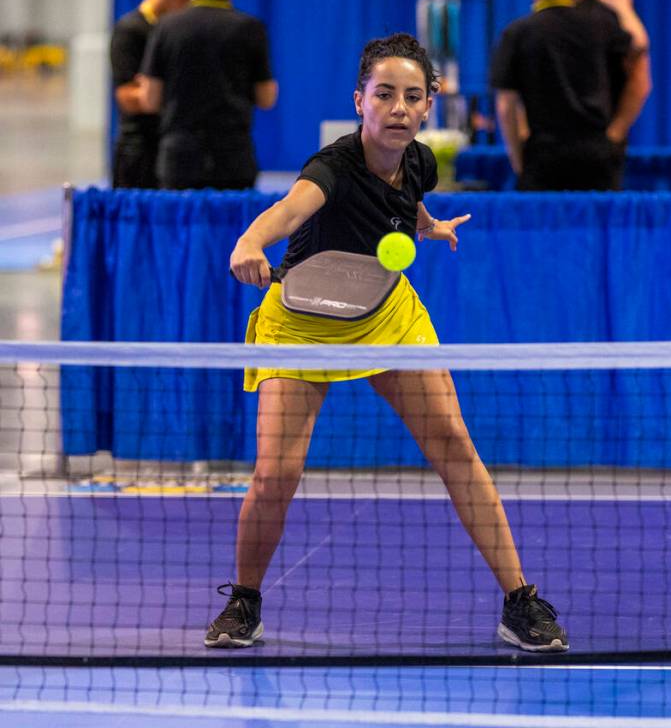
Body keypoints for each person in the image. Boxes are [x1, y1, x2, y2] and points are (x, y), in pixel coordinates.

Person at [206, 33, 568, 654]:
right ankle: (245, 601)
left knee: (454, 444)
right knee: (276, 473)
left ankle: (520, 600)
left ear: (428, 104)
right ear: (360, 101)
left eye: (411, 95)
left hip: (385, 312)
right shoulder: (331, 169)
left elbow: (408, 201)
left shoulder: (420, 159)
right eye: (384, 94)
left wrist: (427, 226)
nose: (398, 107)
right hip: (301, 322)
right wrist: (248, 242)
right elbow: (290, 211)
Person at [490, 0, 638, 190]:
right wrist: (624, 7)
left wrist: (519, 161)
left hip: (543, 159)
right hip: (597, 157)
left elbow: (506, 105)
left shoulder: (516, 34)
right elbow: (638, 46)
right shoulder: (600, 25)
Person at [139, 0, 277, 190]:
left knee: (177, 229)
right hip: (233, 159)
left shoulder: (166, 27)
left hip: (179, 160)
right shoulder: (251, 29)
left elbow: (149, 99)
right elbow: (266, 98)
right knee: (237, 230)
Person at [542, 0, 651, 188]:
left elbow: (640, 77)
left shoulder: (611, 11)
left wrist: (615, 134)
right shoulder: (545, 15)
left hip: (597, 153)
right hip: (548, 154)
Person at [109, 0, 197, 188]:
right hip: (139, 154)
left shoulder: (182, 32)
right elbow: (128, 98)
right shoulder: (130, 30)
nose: (187, 4)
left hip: (174, 153)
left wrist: (154, 88)